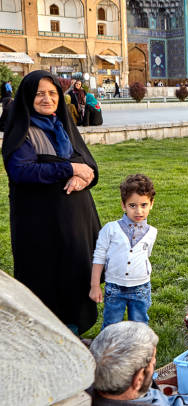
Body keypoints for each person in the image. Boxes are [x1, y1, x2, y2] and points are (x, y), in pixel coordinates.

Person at [2, 70, 100, 335]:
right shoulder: (22, 131)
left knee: (76, 275)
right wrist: (69, 169)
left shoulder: (63, 126)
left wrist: (83, 178)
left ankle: (76, 331)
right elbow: (22, 171)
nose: (47, 99)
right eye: (39, 94)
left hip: (76, 224)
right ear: (27, 97)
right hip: (41, 226)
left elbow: (89, 165)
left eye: (52, 93)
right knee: (48, 280)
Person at [89, 174, 157, 329]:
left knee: (140, 326)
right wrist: (95, 285)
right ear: (123, 205)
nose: (138, 211)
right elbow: (99, 258)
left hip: (141, 287)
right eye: (132, 205)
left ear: (151, 204)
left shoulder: (152, 232)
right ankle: (108, 352)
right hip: (115, 288)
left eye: (144, 205)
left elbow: (146, 255)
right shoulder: (111, 229)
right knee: (111, 325)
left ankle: (138, 351)